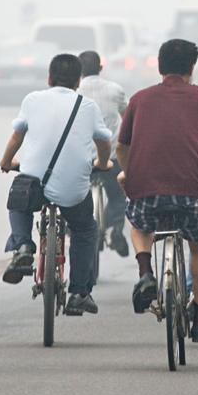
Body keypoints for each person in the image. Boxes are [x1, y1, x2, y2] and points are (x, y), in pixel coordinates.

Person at [116, 39, 198, 343]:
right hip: (192, 191)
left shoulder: (140, 99)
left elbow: (120, 146)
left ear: (159, 65)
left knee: (140, 226)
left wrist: (130, 173)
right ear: (191, 68)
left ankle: (145, 272)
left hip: (147, 191)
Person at [0, 54, 112, 317]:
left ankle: (23, 246)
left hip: (34, 183)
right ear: (78, 81)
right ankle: (79, 293)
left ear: (49, 79)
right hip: (73, 190)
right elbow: (104, 142)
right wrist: (103, 162)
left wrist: (6, 161)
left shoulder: (32, 100)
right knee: (84, 230)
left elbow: (18, 135)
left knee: (19, 199)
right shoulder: (87, 105)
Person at [77, 50, 130, 257]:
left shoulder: (74, 92)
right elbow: (127, 118)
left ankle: (80, 230)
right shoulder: (115, 90)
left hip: (82, 159)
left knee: (76, 197)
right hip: (110, 157)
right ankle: (113, 228)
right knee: (118, 196)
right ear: (100, 68)